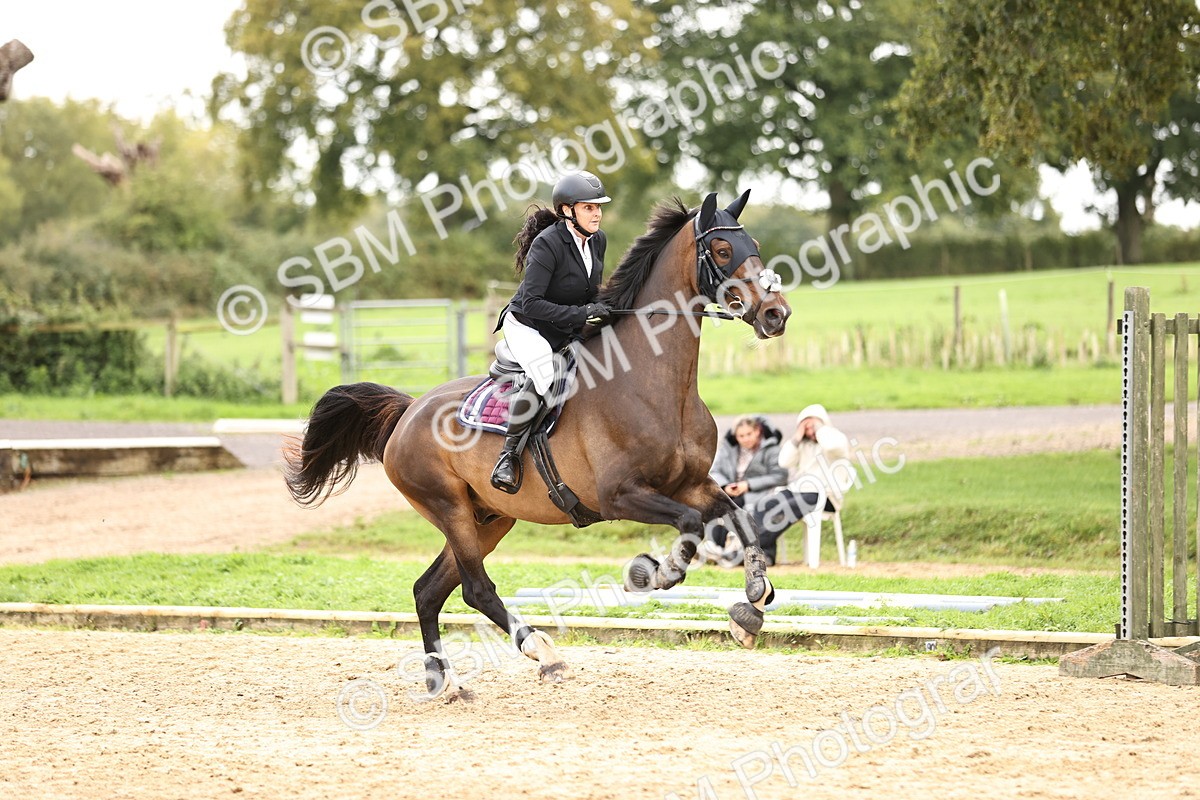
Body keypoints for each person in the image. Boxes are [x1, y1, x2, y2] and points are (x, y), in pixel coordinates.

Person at [489, 171, 615, 494]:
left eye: (598, 207)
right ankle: (508, 456)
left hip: (563, 325)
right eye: (588, 208)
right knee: (546, 375)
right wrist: (583, 314)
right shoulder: (547, 244)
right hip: (527, 326)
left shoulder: (597, 240)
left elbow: (589, 291)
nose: (597, 214)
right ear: (567, 211)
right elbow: (532, 303)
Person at [752, 404, 856, 565]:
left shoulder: (836, 438)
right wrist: (797, 437)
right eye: (805, 427)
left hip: (826, 497)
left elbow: (831, 446)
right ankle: (766, 555)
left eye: (811, 426)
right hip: (799, 492)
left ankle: (749, 546)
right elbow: (784, 462)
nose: (809, 431)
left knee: (784, 508)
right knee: (764, 505)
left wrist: (819, 428)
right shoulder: (803, 444)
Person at [697, 415, 787, 566]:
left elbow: (780, 476)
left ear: (757, 431)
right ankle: (715, 549)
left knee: (735, 507)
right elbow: (715, 470)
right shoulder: (728, 449)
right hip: (731, 491)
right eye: (741, 436)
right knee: (716, 504)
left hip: (758, 494)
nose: (745, 439)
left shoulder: (772, 449)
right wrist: (726, 485)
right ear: (735, 436)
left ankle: (755, 554)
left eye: (749, 434)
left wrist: (748, 485)